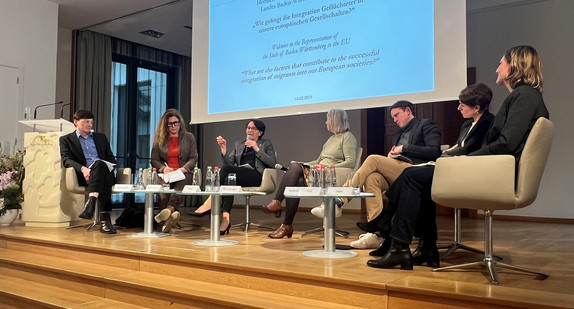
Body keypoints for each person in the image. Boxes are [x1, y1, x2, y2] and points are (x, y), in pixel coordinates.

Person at [367, 45, 549, 270]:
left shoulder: (524, 96)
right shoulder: (524, 97)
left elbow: (506, 145)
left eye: (501, 63)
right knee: (415, 176)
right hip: (494, 169)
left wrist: (465, 159)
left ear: (514, 66)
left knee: (413, 176)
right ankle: (424, 247)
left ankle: (398, 245)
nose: (497, 69)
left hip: (496, 174)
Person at [357, 83, 495, 262]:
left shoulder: (486, 122)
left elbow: (456, 150)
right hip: (435, 166)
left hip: (460, 171)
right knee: (375, 177)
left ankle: (382, 226)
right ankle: (413, 242)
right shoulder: (467, 124)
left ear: (476, 107)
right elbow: (459, 146)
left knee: (390, 167)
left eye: (462, 104)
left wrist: (406, 149)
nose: (458, 107)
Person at [316, 101, 441, 247]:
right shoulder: (398, 134)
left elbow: (434, 151)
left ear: (408, 111)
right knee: (372, 178)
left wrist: (404, 148)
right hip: (401, 172)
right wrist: (393, 156)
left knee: (373, 159)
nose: (394, 120)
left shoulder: (426, 125)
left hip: (418, 171)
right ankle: (377, 234)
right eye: (392, 117)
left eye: (396, 115)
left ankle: (339, 200)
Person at [265, 108, 358, 239]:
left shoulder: (348, 137)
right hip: (319, 173)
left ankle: (277, 202)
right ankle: (286, 225)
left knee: (295, 168)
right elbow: (318, 160)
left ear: (335, 120)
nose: (326, 122)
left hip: (331, 175)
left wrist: (328, 167)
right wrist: (305, 164)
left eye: (328, 119)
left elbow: (350, 162)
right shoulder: (331, 139)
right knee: (295, 179)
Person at [191, 119, 276, 235]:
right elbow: (229, 164)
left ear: (260, 133)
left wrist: (256, 148)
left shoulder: (266, 143)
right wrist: (224, 150)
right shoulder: (239, 144)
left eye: (253, 128)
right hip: (242, 176)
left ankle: (211, 200)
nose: (250, 130)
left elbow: (273, 163)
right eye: (248, 128)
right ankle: (226, 220)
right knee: (227, 179)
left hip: (257, 176)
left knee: (226, 170)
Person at [60, 110, 118, 234]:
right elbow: (66, 160)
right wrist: (84, 169)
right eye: (86, 121)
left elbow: (112, 159)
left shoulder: (101, 137)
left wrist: (102, 167)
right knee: (101, 173)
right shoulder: (66, 139)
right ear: (75, 122)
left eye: (91, 122)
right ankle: (105, 220)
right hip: (83, 176)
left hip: (103, 173)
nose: (89, 124)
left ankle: (91, 200)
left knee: (100, 164)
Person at [151, 109, 198, 233]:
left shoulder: (189, 137)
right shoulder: (159, 140)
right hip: (166, 174)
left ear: (180, 123)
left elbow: (194, 157)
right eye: (170, 124)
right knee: (163, 189)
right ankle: (169, 217)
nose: (174, 126)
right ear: (165, 125)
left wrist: (183, 169)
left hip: (183, 172)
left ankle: (169, 210)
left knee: (183, 180)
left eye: (176, 123)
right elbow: (154, 160)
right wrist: (163, 168)